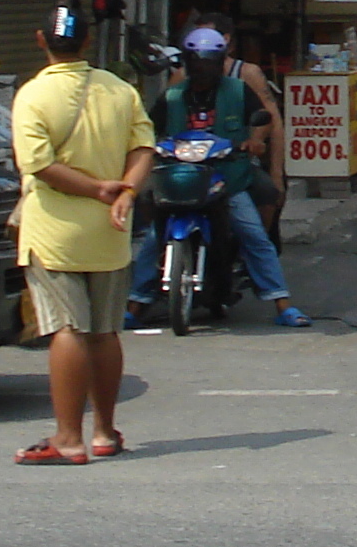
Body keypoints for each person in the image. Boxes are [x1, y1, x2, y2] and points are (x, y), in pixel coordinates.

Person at [10, 3, 154, 464]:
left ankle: (68, 437)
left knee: (67, 328)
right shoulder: (119, 90)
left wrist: (96, 189)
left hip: (55, 230)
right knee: (105, 330)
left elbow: (40, 166)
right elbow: (143, 146)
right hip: (110, 228)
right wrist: (125, 192)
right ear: (88, 42)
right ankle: (105, 432)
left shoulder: (32, 96)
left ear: (41, 41)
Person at [132, 26, 308, 329]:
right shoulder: (173, 95)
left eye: (209, 62)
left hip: (226, 179)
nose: (203, 69)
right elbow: (147, 128)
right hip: (180, 177)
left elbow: (263, 119)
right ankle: (135, 304)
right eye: (197, 62)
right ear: (187, 62)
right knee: (151, 238)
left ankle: (283, 304)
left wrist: (254, 140)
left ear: (220, 62)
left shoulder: (238, 90)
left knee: (254, 234)